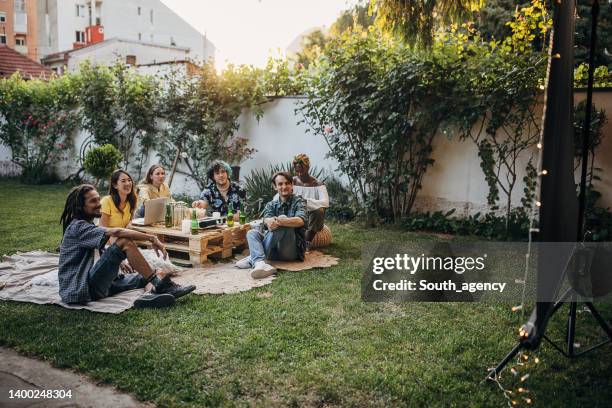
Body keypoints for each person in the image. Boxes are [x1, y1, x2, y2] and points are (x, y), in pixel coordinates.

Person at [58, 184, 195, 308]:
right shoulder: (77, 227)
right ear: (80, 207)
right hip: (83, 288)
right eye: (93, 201)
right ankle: (161, 286)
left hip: (98, 284)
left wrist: (119, 260)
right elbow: (117, 232)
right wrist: (151, 238)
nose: (99, 204)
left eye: (98, 199)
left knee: (154, 272)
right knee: (124, 242)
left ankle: (149, 296)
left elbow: (101, 248)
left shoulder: (85, 225)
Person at [235, 172, 306, 279]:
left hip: (291, 250)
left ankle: (253, 258)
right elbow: (266, 221)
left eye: (287, 183)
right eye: (280, 184)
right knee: (251, 233)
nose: (284, 186)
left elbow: (301, 220)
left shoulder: (299, 201)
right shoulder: (271, 204)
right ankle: (260, 263)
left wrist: (280, 221)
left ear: (292, 185)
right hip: (272, 250)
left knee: (282, 219)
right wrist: (267, 221)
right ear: (275, 186)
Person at [291, 154, 329, 243]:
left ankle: (306, 243)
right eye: (297, 171)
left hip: (313, 219)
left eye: (302, 171)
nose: (299, 174)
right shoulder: (292, 182)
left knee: (319, 211)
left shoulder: (318, 184)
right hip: (295, 216)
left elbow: (325, 203)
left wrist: (305, 202)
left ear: (308, 167)